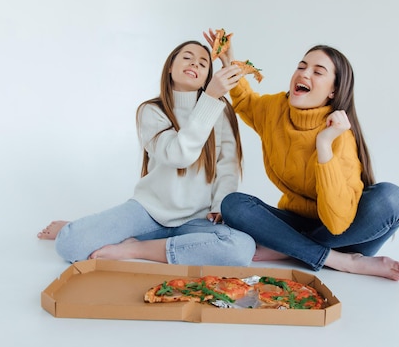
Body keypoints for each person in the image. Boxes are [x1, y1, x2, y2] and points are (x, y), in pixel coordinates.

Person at [203, 28, 399, 280]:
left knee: (392, 199)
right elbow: (246, 102)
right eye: (301, 66)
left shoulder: (339, 135)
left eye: (317, 71)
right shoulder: (275, 109)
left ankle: (290, 248)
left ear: (333, 91)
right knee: (233, 204)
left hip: (345, 233)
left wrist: (324, 145)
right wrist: (227, 60)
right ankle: (337, 260)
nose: (304, 73)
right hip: (296, 224)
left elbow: (336, 223)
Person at [37, 40, 256, 266]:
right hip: (148, 212)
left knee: (241, 249)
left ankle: (137, 248)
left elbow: (227, 165)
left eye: (203, 63)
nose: (195, 64)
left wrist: (220, 205)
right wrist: (209, 99)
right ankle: (79, 228)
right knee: (70, 243)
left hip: (196, 220)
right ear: (170, 66)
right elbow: (179, 155)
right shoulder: (151, 111)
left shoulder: (219, 111)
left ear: (207, 78)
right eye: (187, 57)